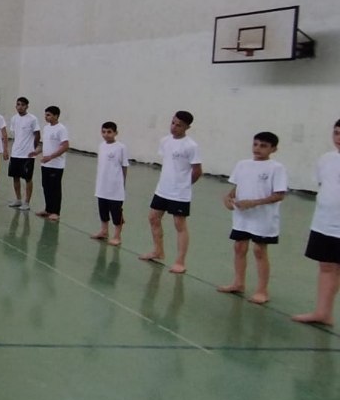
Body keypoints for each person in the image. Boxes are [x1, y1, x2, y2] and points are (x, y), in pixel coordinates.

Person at [217, 131, 287, 305]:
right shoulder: (242, 165)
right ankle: (238, 283)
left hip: (263, 218)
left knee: (259, 251)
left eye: (263, 146)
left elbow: (279, 195)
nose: (257, 148)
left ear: (273, 149)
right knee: (239, 247)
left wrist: (254, 203)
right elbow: (237, 187)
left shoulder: (276, 168)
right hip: (242, 216)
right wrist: (228, 198)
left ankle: (262, 291)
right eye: (255, 144)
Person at [140, 111, 202, 273]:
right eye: (173, 123)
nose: (174, 127)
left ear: (187, 127)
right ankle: (158, 251)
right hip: (162, 190)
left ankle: (180, 262)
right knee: (153, 218)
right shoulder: (165, 141)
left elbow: (197, 171)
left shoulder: (191, 146)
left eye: (179, 125)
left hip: (179, 193)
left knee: (179, 225)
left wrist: (184, 185)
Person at [293, 119, 340, 326]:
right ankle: (323, 313)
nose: (339, 138)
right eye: (336, 133)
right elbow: (324, 185)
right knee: (326, 266)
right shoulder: (326, 159)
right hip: (324, 222)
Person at [91, 121, 129, 246]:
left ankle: (117, 236)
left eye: (109, 132)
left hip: (115, 187)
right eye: (103, 132)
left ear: (115, 133)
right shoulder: (101, 146)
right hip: (102, 185)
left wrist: (122, 183)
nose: (106, 135)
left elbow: (124, 166)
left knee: (116, 213)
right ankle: (104, 231)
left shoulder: (121, 147)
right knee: (103, 210)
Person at [35, 106, 69, 222]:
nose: (46, 117)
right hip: (46, 164)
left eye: (48, 115)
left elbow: (65, 146)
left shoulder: (61, 129)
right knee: (46, 186)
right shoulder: (46, 128)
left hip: (56, 165)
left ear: (56, 116)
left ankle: (56, 212)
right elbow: (45, 144)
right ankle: (48, 209)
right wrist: (36, 152)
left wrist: (51, 157)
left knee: (55, 188)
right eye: (45, 115)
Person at [7, 97, 41, 211]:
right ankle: (18, 199)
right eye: (18, 104)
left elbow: (37, 135)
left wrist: (32, 148)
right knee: (15, 177)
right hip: (15, 153)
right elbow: (17, 134)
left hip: (27, 155)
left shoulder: (32, 119)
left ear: (27, 106)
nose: (20, 107)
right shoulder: (14, 119)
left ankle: (27, 202)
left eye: (22, 105)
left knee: (27, 178)